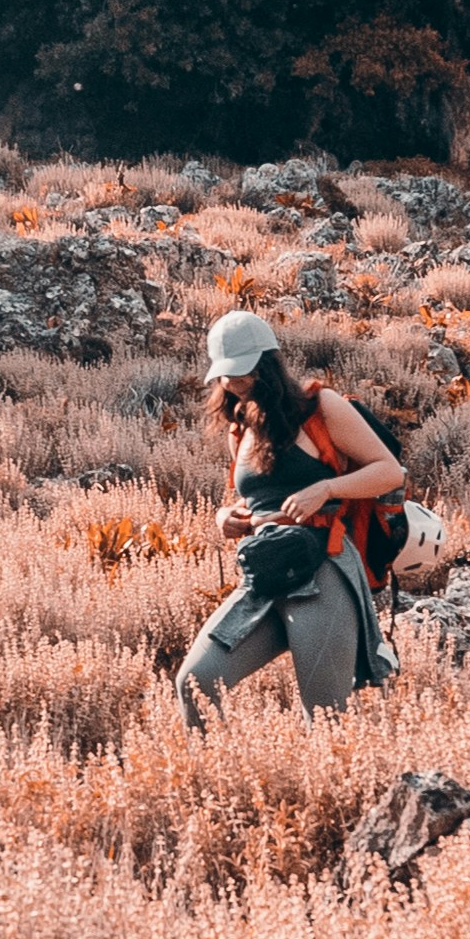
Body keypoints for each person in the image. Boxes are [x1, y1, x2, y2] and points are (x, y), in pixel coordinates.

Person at [172, 309, 407, 722]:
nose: (233, 382)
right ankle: (212, 766)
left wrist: (327, 489)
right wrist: (225, 516)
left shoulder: (321, 407)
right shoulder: (239, 427)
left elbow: (389, 471)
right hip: (265, 574)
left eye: (242, 371)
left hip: (324, 570)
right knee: (195, 681)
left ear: (268, 363)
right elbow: (252, 500)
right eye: (226, 374)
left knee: (325, 716)